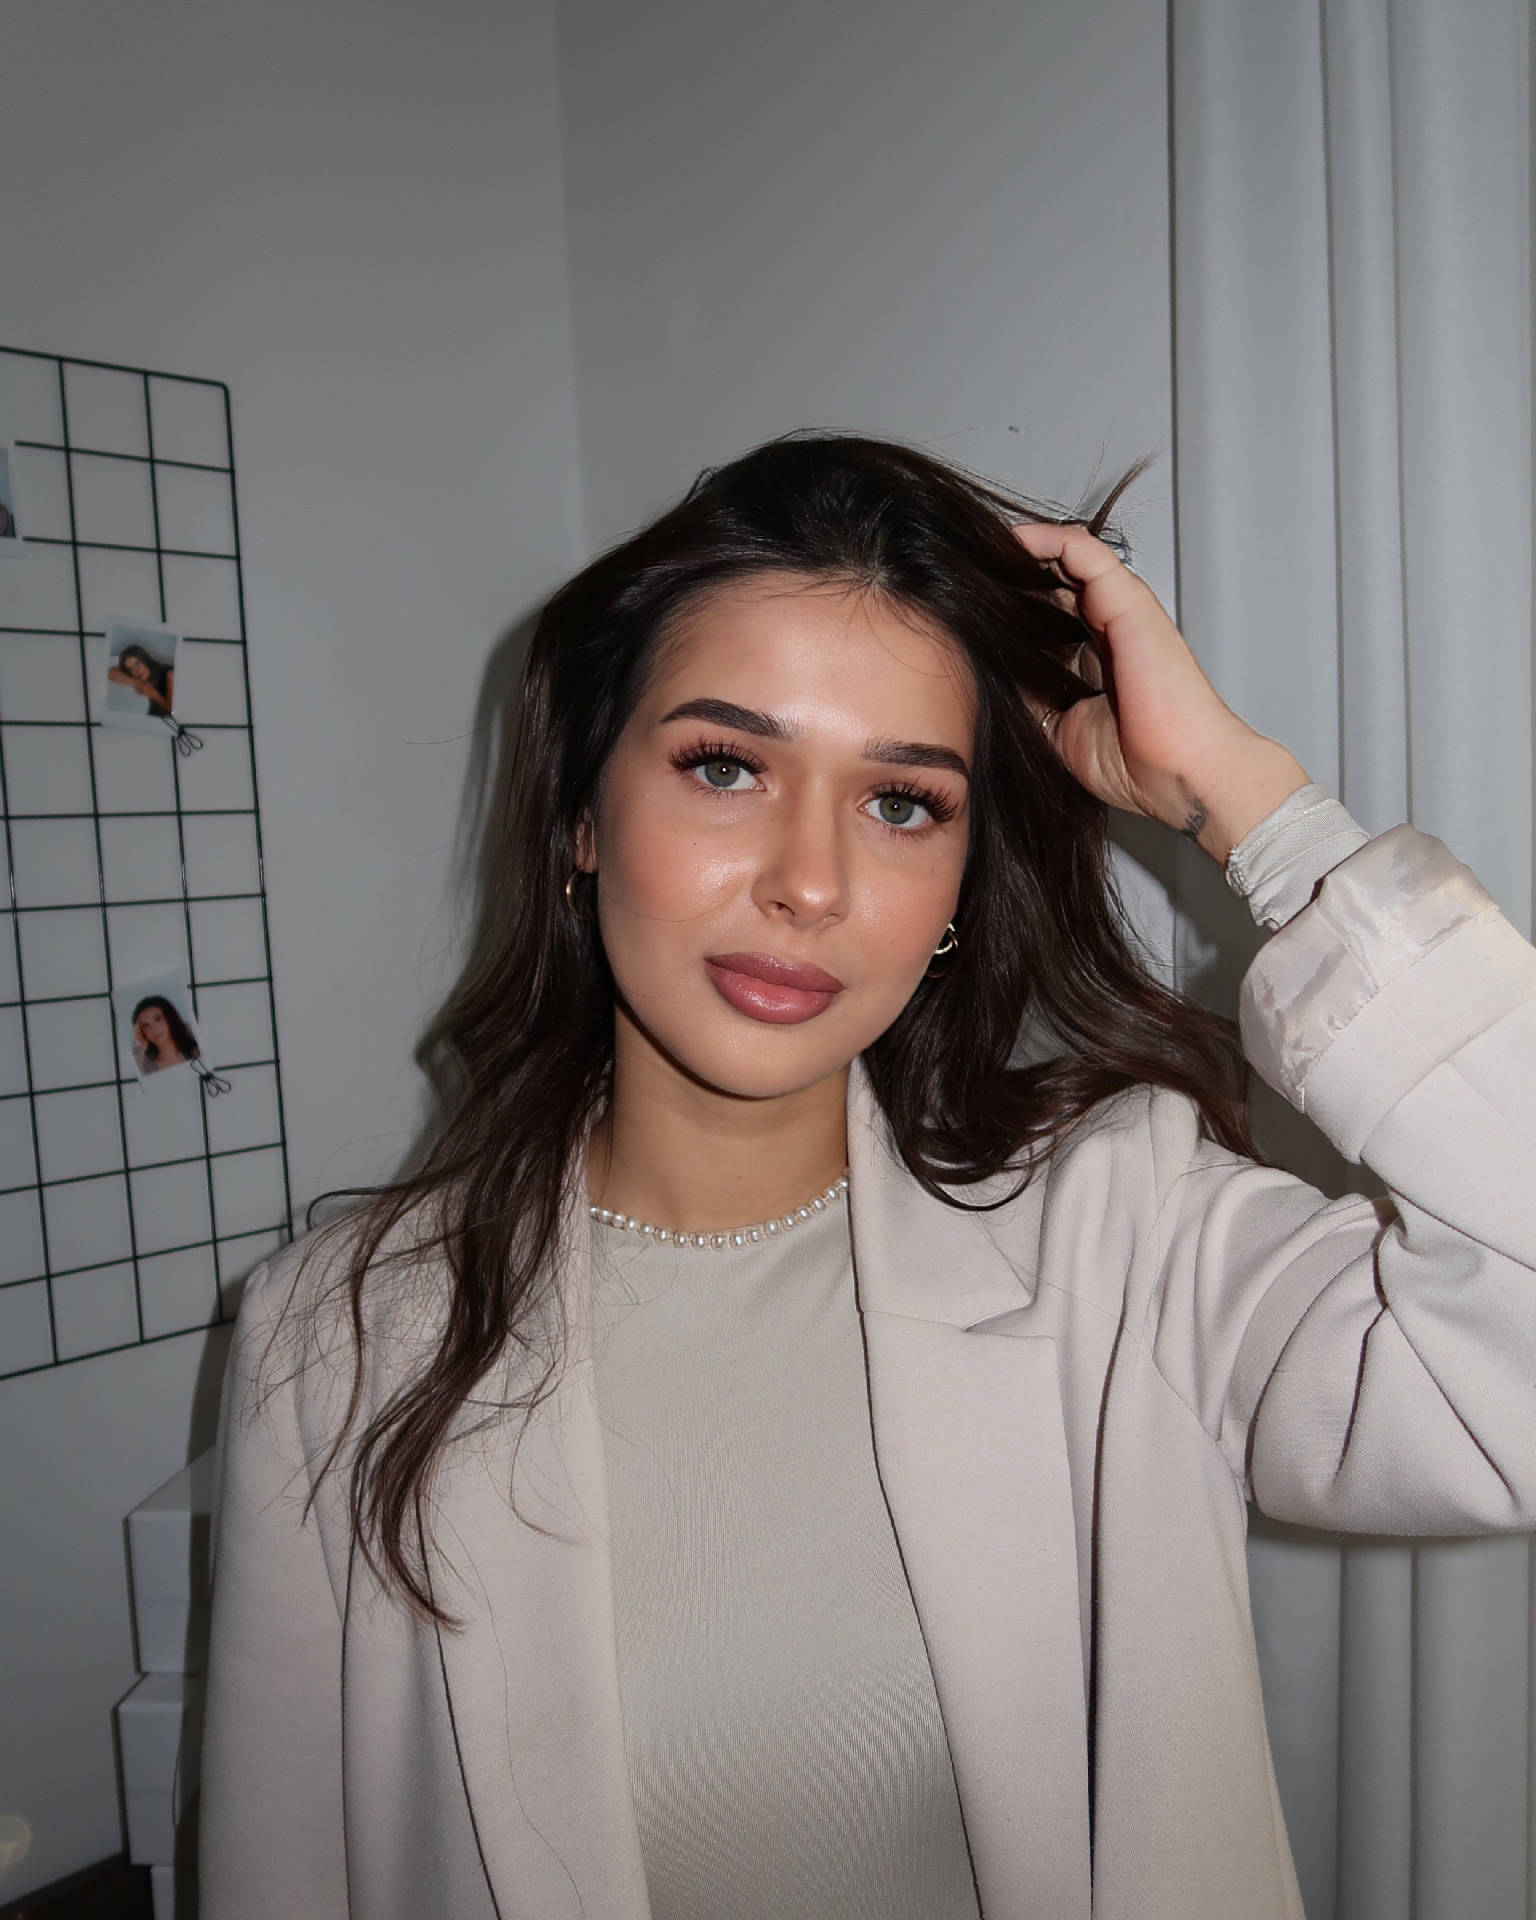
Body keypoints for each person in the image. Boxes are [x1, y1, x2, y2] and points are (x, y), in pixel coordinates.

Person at [200, 435, 1536, 1920]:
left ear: (960, 884)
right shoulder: (335, 1342)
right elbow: (281, 1873)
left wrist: (1258, 809)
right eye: (724, 767)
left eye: (902, 802)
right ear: (581, 816)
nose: (810, 883)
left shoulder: (1124, 1235)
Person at [130, 994, 196, 1075]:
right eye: (145, 1025)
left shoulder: (196, 1050)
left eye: (157, 1019)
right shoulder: (145, 1067)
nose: (154, 1029)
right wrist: (139, 1048)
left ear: (169, 1018)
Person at [108, 640, 175, 714]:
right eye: (130, 668)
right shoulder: (138, 676)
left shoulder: (169, 674)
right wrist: (137, 683)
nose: (136, 670)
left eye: (137, 663)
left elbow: (172, 711)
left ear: (145, 660)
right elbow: (110, 673)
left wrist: (154, 694)